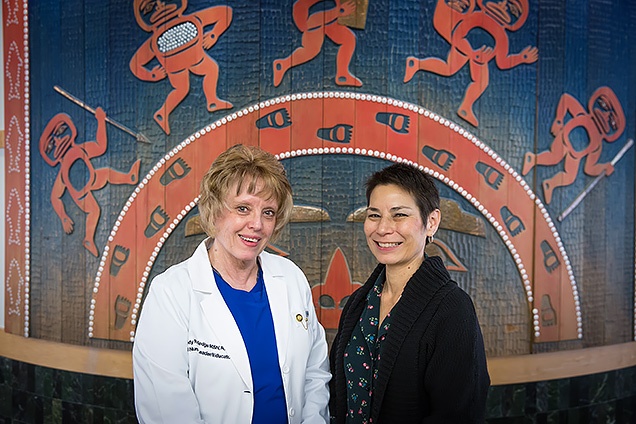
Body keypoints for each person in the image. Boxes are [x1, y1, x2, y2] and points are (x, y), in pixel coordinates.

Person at [133, 144, 331, 423]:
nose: (257, 224)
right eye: (242, 208)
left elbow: (315, 371)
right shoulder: (170, 292)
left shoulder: (291, 278)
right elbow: (166, 407)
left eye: (268, 212)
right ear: (214, 211)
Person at [329, 162, 490, 423]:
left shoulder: (452, 309)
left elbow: (460, 415)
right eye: (374, 215)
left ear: (431, 222)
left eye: (399, 215)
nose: (383, 228)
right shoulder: (359, 303)